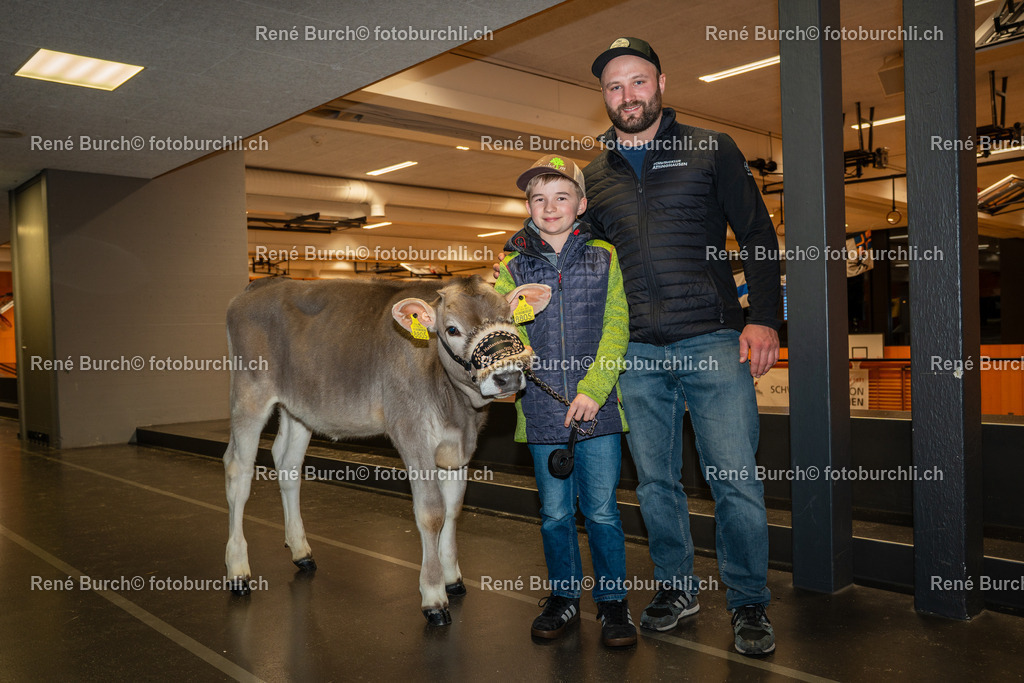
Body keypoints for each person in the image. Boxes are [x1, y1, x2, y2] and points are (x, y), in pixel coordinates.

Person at [584, 37, 782, 656]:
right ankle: (676, 587)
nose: (628, 96)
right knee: (656, 486)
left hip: (714, 342)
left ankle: (749, 602)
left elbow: (756, 232)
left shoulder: (711, 148)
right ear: (604, 97)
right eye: (615, 87)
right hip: (637, 355)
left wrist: (765, 319)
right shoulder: (595, 175)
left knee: (735, 481)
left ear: (661, 83)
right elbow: (584, 263)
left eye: (637, 82)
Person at [494, 154, 634, 648]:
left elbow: (617, 329)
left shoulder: (605, 256)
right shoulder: (510, 268)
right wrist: (514, 336)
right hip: (541, 410)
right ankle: (564, 597)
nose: (549, 207)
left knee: (601, 513)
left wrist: (594, 391)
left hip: (597, 410)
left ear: (581, 203)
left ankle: (615, 603)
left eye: (561, 197)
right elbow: (503, 336)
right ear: (527, 206)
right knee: (554, 514)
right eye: (538, 199)